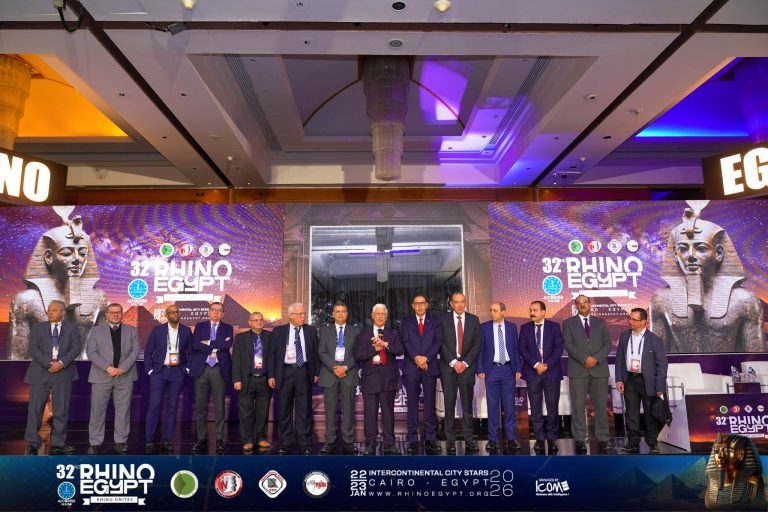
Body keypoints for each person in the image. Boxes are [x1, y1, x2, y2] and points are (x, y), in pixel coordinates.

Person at [650, 202, 764, 353]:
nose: (691, 256)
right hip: (682, 368)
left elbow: (755, 358)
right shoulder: (661, 300)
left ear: (719, 254)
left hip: (728, 369)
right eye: (683, 249)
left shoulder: (745, 300)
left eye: (701, 248)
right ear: (675, 255)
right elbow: (656, 357)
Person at [10, 209, 106, 360]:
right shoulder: (26, 301)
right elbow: (18, 357)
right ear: (48, 257)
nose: (77, 259)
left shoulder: (99, 298)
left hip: (86, 371)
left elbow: (104, 351)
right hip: (44, 370)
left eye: (82, 253)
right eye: (67, 253)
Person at [24, 300, 82, 455]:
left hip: (63, 372)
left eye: (54, 310)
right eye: (49, 310)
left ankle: (58, 443)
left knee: (61, 410)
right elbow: (33, 349)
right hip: (40, 372)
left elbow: (76, 348)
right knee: (35, 409)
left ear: (62, 313)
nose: (50, 312)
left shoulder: (72, 328)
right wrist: (49, 363)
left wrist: (61, 363)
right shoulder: (38, 327)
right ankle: (32, 443)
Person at [86, 303, 140, 455]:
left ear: (122, 314)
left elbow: (135, 351)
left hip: (125, 376)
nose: (116, 314)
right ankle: (95, 443)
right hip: (101, 376)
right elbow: (91, 352)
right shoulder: (96, 331)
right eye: (112, 312)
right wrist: (108, 368)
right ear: (107, 315)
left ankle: (120, 442)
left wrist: (122, 368)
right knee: (97, 411)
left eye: (118, 312)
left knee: (123, 411)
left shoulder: (132, 331)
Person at [562, 295, 612, 454]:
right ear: (575, 306)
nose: (582, 304)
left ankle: (603, 438)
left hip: (599, 369)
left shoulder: (600, 322)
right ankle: (579, 439)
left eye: (585, 302)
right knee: (578, 407)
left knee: (601, 406)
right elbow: (568, 345)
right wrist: (584, 358)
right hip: (578, 370)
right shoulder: (568, 323)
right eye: (579, 302)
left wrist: (595, 359)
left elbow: (608, 344)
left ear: (590, 304)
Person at [268, 302, 319, 455]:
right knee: (284, 409)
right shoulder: (279, 331)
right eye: (300, 314)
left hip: (304, 371)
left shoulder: (310, 330)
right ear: (291, 315)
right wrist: (271, 375)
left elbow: (315, 353)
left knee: (304, 409)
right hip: (285, 372)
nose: (303, 316)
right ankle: (284, 442)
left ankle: (305, 442)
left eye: (304, 313)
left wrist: (315, 372)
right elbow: (272, 354)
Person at [615, 308, 668, 455]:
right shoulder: (624, 336)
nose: (630, 321)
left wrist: (660, 386)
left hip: (647, 380)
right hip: (629, 379)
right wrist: (619, 379)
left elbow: (662, 365)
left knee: (650, 413)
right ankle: (633, 442)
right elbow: (619, 359)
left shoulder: (654, 340)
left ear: (644, 322)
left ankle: (652, 442)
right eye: (630, 318)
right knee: (631, 413)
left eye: (634, 319)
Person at [355, 303, 404, 455]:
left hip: (388, 379)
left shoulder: (393, 333)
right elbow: (358, 355)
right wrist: (374, 350)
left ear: (386, 316)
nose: (380, 316)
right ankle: (370, 443)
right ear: (372, 315)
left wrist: (386, 345)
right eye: (378, 314)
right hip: (370, 379)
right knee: (370, 413)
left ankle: (390, 443)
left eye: (383, 314)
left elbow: (400, 350)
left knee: (388, 413)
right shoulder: (363, 334)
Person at [143, 304, 192, 455]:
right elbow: (148, 351)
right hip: (159, 372)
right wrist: (150, 370)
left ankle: (167, 440)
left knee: (173, 407)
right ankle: (149, 441)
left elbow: (191, 352)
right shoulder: (157, 330)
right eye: (172, 312)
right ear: (166, 315)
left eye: (177, 311)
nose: (175, 314)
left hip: (177, 372)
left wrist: (186, 368)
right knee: (154, 406)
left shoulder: (186, 330)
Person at [519, 300, 564, 455]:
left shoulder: (554, 327)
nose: (532, 313)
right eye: (530, 310)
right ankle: (539, 438)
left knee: (552, 407)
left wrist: (546, 365)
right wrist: (536, 364)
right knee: (535, 408)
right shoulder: (525, 328)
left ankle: (552, 438)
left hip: (551, 373)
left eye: (535, 310)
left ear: (543, 312)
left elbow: (559, 349)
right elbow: (522, 349)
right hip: (533, 373)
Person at [439, 292, 482, 455]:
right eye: (456, 302)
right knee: (449, 405)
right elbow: (440, 342)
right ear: (451, 304)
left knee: (467, 405)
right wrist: (453, 362)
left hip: (466, 368)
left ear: (466, 303)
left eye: (462, 301)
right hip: (448, 368)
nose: (459, 305)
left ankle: (469, 439)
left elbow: (477, 344)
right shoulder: (442, 320)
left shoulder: (473, 320)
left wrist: (464, 363)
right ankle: (450, 441)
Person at [400, 294, 442, 455]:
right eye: (416, 303)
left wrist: (426, 358)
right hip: (412, 366)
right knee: (412, 403)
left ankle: (430, 438)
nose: (419, 306)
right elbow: (405, 341)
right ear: (412, 306)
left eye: (422, 303)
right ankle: (412, 439)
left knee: (430, 403)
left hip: (429, 366)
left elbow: (437, 342)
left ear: (426, 305)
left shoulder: (435, 321)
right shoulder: (406, 322)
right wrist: (417, 358)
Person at [189, 301, 234, 455]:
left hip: (219, 369)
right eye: (213, 310)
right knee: (200, 406)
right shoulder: (200, 326)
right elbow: (195, 345)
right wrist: (215, 346)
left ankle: (220, 438)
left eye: (219, 310)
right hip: (202, 369)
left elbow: (227, 345)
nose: (216, 312)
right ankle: (201, 438)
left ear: (223, 314)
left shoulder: (228, 327)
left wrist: (207, 342)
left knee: (219, 406)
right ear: (208, 312)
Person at [477, 302, 522, 455]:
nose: (492, 313)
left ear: (503, 312)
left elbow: (515, 350)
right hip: (492, 370)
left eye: (495, 311)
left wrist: (518, 369)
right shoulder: (484, 327)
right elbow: (481, 350)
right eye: (491, 310)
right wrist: (480, 369)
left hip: (508, 370)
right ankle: (492, 439)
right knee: (492, 406)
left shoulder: (512, 327)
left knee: (509, 406)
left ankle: (511, 438)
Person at [318, 302, 360, 455]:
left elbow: (358, 353)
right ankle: (330, 441)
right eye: (337, 311)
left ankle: (348, 441)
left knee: (348, 410)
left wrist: (345, 367)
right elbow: (321, 352)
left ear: (347, 313)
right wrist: (335, 367)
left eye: (343, 311)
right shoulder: (324, 330)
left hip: (348, 374)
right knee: (330, 410)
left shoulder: (356, 331)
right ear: (333, 314)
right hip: (330, 374)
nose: (340, 314)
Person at [232, 311, 274, 454]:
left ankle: (261, 437)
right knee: (246, 412)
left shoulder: (270, 336)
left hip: (264, 379)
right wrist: (236, 379)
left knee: (263, 411)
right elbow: (236, 359)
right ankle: (248, 440)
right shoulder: (241, 337)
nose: (259, 322)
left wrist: (272, 376)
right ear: (250, 322)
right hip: (246, 379)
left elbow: (274, 358)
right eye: (256, 320)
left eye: (261, 319)